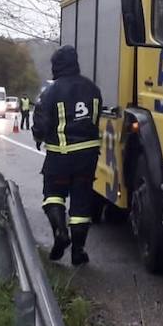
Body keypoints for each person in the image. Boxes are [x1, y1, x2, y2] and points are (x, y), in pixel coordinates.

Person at [31, 45, 103, 265]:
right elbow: (97, 116)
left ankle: (61, 233)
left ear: (56, 66)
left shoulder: (51, 92)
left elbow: (41, 122)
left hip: (60, 155)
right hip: (88, 156)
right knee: (81, 202)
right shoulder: (93, 88)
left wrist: (39, 138)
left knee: (53, 193)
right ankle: (78, 252)